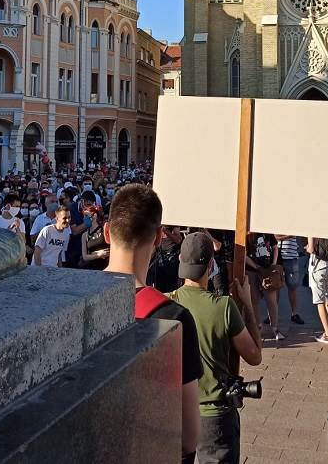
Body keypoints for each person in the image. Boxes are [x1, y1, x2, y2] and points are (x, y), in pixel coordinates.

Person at [103, 184, 202, 464]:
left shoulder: (72, 302)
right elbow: (189, 437)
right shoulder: (174, 318)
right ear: (159, 237)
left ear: (108, 233)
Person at [170, 233, 263, 464]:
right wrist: (249, 307)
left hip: (177, 411)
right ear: (211, 265)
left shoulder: (168, 303)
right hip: (215, 415)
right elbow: (254, 356)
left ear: (181, 259)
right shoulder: (224, 307)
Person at [247, 232, 283, 341]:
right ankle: (258, 327)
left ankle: (275, 328)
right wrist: (256, 267)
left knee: (271, 300)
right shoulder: (247, 235)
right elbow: (244, 254)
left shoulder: (266, 231)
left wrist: (273, 263)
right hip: (252, 270)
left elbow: (275, 247)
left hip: (267, 268)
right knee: (254, 300)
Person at [306, 232, 328, 343]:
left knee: (319, 301)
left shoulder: (312, 226)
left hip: (318, 266)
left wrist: (307, 247)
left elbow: (311, 249)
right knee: (325, 294)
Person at [275, 235, 305, 325]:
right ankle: (273, 314)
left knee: (293, 286)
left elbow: (296, 232)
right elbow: (274, 236)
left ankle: (294, 313)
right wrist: (288, 235)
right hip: (276, 255)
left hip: (291, 256)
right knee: (275, 286)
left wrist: (282, 236)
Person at [80, 203, 109, 270]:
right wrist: (99, 254)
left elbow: (109, 251)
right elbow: (85, 257)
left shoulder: (104, 230)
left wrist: (93, 254)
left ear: (94, 215)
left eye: (86, 215)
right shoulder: (85, 235)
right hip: (91, 269)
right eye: (84, 216)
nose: (85, 218)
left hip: (105, 268)